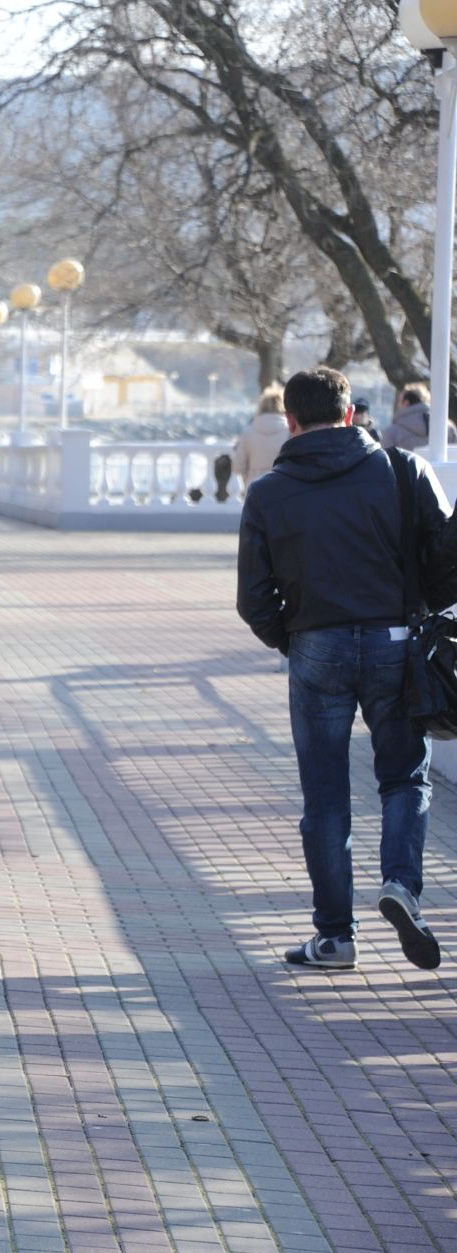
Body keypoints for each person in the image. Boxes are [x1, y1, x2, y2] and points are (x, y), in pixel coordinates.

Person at [237, 365, 447, 971]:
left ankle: (335, 937)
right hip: (397, 640)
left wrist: (294, 638)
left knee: (326, 798)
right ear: (351, 414)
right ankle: (401, 885)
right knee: (404, 778)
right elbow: (446, 555)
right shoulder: (404, 471)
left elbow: (254, 598)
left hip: (316, 646)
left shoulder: (270, 491)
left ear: (292, 424)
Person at [230, 388, 288, 491]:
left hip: (254, 487)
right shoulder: (289, 431)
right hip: (282, 486)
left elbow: (237, 466)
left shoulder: (248, 431)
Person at [379, 383, 457, 451]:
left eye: (399, 401)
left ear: (406, 403)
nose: (398, 405)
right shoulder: (449, 427)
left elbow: (384, 463)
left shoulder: (392, 432)